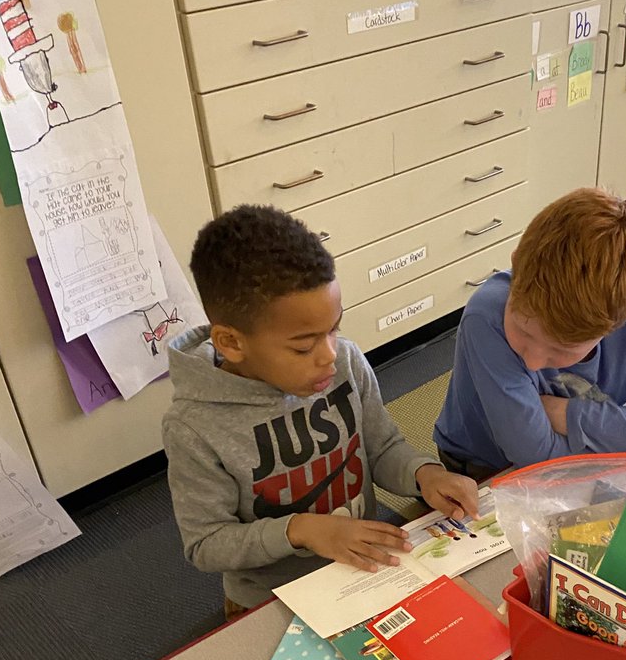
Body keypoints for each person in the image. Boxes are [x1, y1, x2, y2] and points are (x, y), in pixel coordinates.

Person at [163, 205, 478, 617]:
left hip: (364, 563)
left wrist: (425, 474)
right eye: (303, 345)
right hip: (270, 599)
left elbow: (380, 449)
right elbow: (206, 544)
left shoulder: (346, 361)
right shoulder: (194, 427)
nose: (329, 355)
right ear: (231, 342)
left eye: (334, 328)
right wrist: (301, 530)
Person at [434, 187, 626, 476]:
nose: (532, 362)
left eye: (563, 350)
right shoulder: (487, 317)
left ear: (624, 320)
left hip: (579, 452)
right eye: (525, 332)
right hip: (480, 468)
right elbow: (538, 460)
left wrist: (573, 417)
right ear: (515, 262)